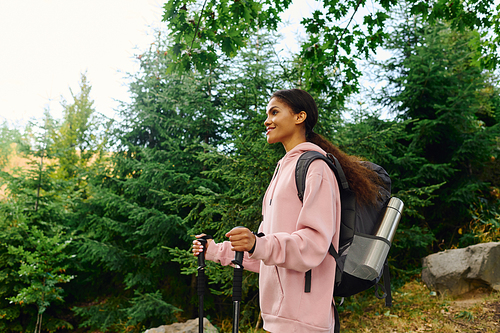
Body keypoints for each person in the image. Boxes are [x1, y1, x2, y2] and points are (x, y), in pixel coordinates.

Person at [192, 89, 380, 332]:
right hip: (280, 318)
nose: (267, 120)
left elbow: (313, 245)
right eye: (267, 114)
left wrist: (258, 245)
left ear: (299, 117)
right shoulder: (283, 170)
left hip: (306, 322)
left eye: (274, 112)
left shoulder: (316, 168)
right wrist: (217, 250)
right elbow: (267, 252)